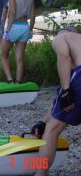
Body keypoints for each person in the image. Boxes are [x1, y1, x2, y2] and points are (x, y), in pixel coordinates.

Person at [33, 26, 81, 176]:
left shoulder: (62, 37)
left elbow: (63, 57)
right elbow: (59, 99)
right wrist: (43, 121)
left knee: (52, 129)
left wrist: (66, 91)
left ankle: (40, 174)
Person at [0, 0, 35, 83]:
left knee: (3, 55)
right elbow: (33, 15)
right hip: (25, 26)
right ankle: (18, 81)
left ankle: (10, 79)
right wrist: (30, 30)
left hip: (14, 26)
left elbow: (13, 12)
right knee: (19, 59)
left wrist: (7, 30)